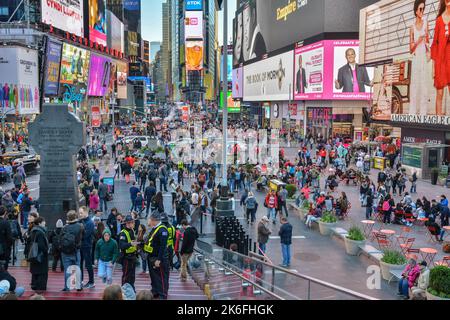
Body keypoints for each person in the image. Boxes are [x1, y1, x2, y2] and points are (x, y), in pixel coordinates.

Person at [430, 0, 450, 115]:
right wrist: (433, 67)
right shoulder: (439, 21)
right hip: (440, 61)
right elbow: (435, 44)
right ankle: (438, 121)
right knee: (440, 93)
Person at [144, 211, 169, 299]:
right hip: (152, 257)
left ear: (154, 220)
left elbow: (162, 246)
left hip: (159, 258)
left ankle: (163, 294)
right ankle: (155, 290)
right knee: (154, 276)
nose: (149, 221)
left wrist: (159, 259)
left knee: (161, 277)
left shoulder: (162, 230)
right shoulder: (155, 228)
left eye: (150, 219)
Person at [61, 210, 84, 292]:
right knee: (77, 268)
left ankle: (67, 287)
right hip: (76, 250)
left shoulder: (64, 228)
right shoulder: (80, 226)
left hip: (65, 252)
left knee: (67, 269)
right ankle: (78, 286)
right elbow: (83, 236)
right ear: (75, 217)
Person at [28, 217, 49, 292]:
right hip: (40, 256)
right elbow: (41, 245)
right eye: (43, 222)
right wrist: (46, 251)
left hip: (34, 255)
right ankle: (41, 287)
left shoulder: (33, 231)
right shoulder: (40, 232)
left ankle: (34, 284)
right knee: (42, 272)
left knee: (35, 271)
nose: (45, 223)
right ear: (40, 223)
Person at [119, 215, 138, 291]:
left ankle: (131, 288)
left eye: (132, 222)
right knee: (126, 275)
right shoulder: (123, 233)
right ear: (126, 223)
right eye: (129, 223)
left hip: (133, 256)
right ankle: (124, 290)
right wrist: (130, 244)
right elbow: (121, 246)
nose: (131, 224)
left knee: (132, 275)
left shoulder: (132, 231)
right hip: (126, 258)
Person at [79, 207, 95, 289]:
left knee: (88, 264)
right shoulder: (80, 221)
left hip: (87, 246)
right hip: (81, 246)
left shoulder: (90, 223)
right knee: (80, 263)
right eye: (79, 213)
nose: (80, 214)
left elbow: (85, 235)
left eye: (81, 213)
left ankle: (91, 282)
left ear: (86, 212)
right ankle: (80, 280)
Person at [0, 206, 12, 270]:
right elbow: (9, 237)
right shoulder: (6, 223)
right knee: (4, 267)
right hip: (4, 248)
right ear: (5, 213)